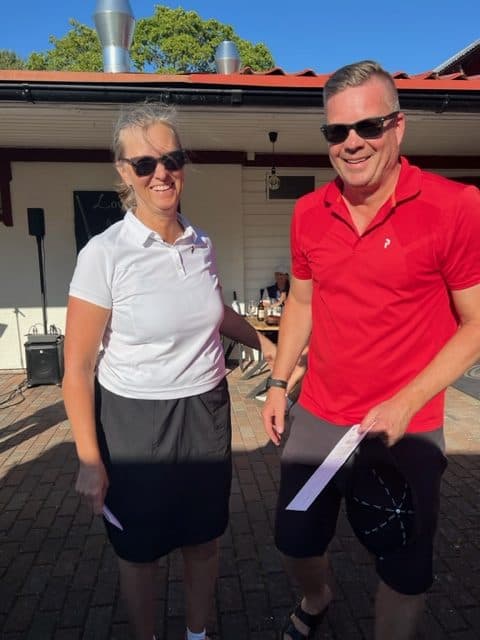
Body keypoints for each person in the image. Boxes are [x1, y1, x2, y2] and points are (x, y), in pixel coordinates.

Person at [262, 60, 480, 640]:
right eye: (337, 131)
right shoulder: (309, 212)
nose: (352, 142)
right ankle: (317, 597)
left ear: (397, 126)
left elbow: (476, 324)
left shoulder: (456, 206)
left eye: (368, 126)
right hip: (319, 416)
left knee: (403, 568)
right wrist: (279, 383)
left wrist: (408, 401)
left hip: (405, 427)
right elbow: (301, 303)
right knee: (294, 538)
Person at [62, 103, 275, 640]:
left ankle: (197, 634)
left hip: (206, 410)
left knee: (203, 539)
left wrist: (267, 343)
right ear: (123, 171)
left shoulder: (202, 244)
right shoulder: (104, 254)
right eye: (145, 163)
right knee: (140, 550)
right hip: (135, 421)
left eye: (172, 159)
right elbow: (78, 368)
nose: (161, 173)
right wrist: (89, 459)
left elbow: (214, 311)